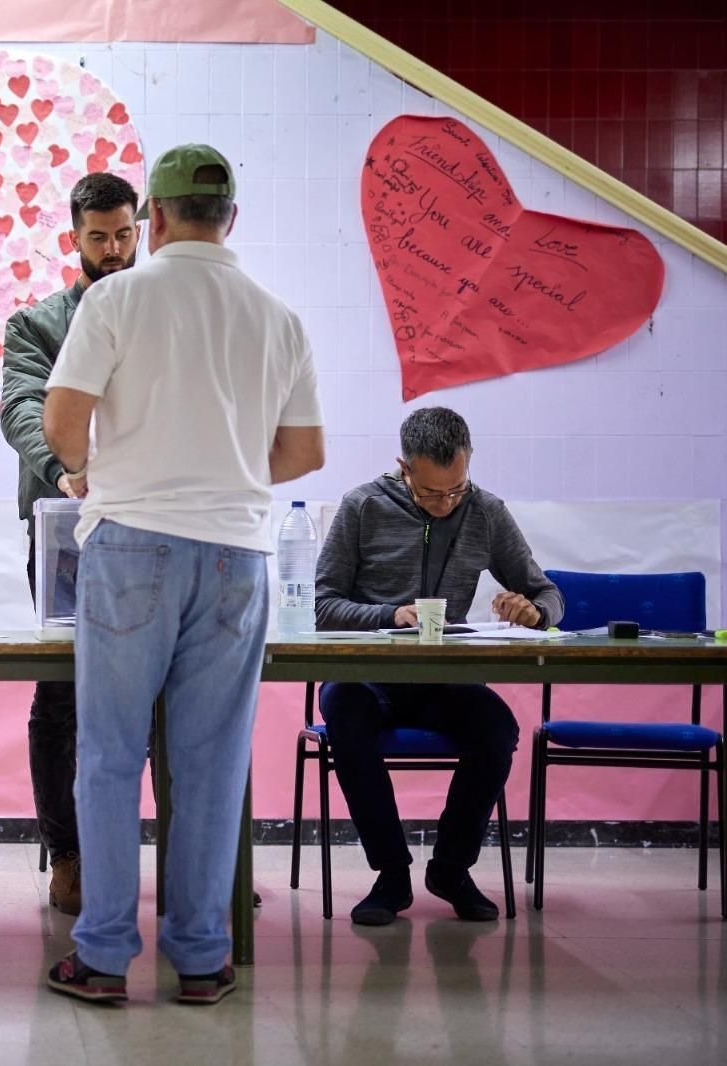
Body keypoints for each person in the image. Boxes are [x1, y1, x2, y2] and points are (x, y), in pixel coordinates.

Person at [41, 144, 325, 1005]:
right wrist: (221, 474)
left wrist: (106, 469)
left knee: (111, 755)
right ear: (231, 218)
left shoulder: (117, 297)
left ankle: (101, 956)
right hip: (240, 554)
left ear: (153, 219)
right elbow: (305, 453)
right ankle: (202, 958)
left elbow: (61, 423)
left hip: (131, 544)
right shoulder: (278, 316)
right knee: (209, 761)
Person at [315, 406, 563, 926]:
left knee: (496, 726)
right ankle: (391, 873)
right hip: (371, 678)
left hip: (444, 678)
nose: (446, 504)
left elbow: (547, 594)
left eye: (456, 490)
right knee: (343, 708)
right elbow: (323, 604)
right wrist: (389, 615)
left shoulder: (486, 511)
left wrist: (535, 612)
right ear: (404, 469)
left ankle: (450, 868)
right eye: (431, 493)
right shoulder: (361, 507)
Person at [0, 171, 140, 915]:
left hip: (155, 527)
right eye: (98, 238)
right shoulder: (38, 324)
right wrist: (65, 467)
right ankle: (69, 856)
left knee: (171, 698)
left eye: (123, 235)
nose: (113, 250)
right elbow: (22, 407)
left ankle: (188, 854)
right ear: (74, 238)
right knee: (63, 697)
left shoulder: (165, 311)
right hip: (66, 535)